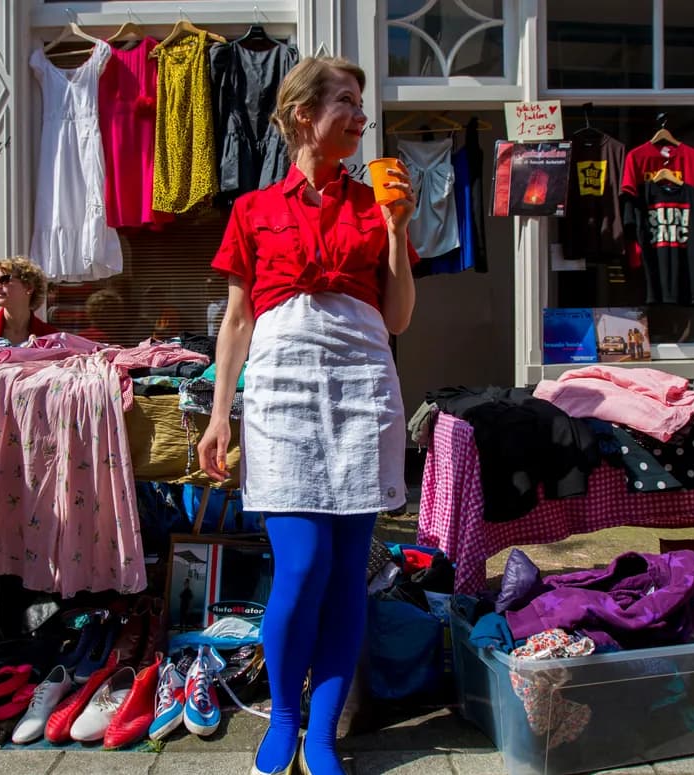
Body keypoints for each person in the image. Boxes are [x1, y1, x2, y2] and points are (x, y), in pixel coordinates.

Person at [197, 56, 418, 775]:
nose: (361, 117)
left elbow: (399, 318)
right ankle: (283, 717)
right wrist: (218, 415)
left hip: (361, 388)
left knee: (349, 569)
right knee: (302, 565)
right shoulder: (252, 210)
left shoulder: (374, 204)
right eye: (346, 103)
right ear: (302, 117)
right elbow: (236, 322)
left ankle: (322, 734)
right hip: (282, 394)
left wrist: (395, 231)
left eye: (360, 104)